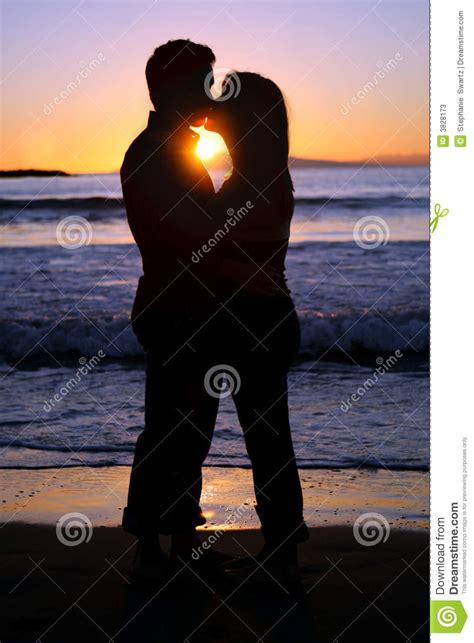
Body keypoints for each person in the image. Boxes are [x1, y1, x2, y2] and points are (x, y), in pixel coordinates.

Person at [120, 41, 278, 584]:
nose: (212, 93)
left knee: (186, 430)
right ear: (169, 89)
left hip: (184, 308)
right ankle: (148, 551)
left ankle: (178, 544)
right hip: (175, 309)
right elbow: (187, 235)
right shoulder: (152, 153)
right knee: (169, 428)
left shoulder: (165, 148)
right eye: (202, 81)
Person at [196, 72, 310, 583]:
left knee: (266, 441)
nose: (217, 107)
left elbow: (222, 251)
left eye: (227, 101)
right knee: (268, 440)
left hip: (256, 321)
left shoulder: (257, 179)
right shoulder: (264, 171)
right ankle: (282, 547)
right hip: (264, 318)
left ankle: (283, 553)